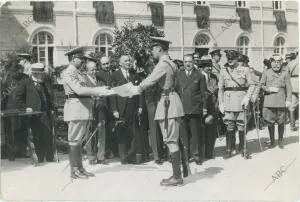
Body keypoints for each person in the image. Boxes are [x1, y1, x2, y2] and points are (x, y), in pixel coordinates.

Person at [132, 36, 185, 186]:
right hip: (171, 101)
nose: (151, 52)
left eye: (153, 48)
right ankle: (177, 174)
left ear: (159, 49)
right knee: (171, 139)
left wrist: (135, 89)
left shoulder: (163, 64)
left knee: (170, 139)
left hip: (168, 103)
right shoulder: (171, 62)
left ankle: (177, 176)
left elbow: (150, 80)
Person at [61, 46, 115, 179]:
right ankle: (74, 170)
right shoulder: (69, 72)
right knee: (74, 140)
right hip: (75, 108)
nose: (84, 61)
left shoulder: (78, 73)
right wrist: (98, 90)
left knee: (79, 140)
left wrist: (102, 90)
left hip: (83, 108)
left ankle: (80, 168)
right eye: (81, 58)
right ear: (73, 59)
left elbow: (87, 89)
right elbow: (79, 89)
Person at [14, 63, 54, 162]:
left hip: (45, 113)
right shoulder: (25, 83)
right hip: (33, 115)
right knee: (37, 135)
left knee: (48, 134)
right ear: (35, 74)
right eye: (40, 74)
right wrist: (25, 108)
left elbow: (48, 97)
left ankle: (50, 157)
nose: (42, 76)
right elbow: (17, 97)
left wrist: (52, 108)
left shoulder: (44, 83)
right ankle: (40, 157)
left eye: (42, 74)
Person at [218, 50, 255, 158]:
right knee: (229, 125)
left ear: (237, 59)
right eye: (228, 59)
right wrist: (221, 103)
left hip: (241, 101)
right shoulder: (223, 71)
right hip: (228, 101)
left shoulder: (245, 70)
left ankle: (243, 149)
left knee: (241, 125)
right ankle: (230, 149)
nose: (230, 61)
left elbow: (252, 85)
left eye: (232, 59)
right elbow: (220, 89)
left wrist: (247, 97)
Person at [110, 54, 144, 164]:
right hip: (121, 108)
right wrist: (114, 109)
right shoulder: (114, 75)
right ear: (120, 63)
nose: (128, 62)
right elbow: (112, 94)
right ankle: (123, 157)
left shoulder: (135, 75)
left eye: (129, 60)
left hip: (133, 107)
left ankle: (132, 156)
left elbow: (139, 92)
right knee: (122, 132)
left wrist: (140, 106)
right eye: (125, 61)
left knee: (134, 132)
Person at [175, 54, 207, 165]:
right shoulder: (178, 75)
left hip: (195, 108)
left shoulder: (200, 76)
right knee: (184, 134)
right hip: (182, 109)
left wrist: (205, 108)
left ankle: (196, 155)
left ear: (193, 63)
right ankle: (186, 155)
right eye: (186, 62)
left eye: (190, 62)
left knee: (195, 134)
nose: (188, 64)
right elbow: (176, 91)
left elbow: (204, 93)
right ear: (183, 63)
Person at [259, 54, 292, 149]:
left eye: (278, 62)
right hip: (269, 101)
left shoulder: (285, 73)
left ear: (281, 63)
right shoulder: (266, 72)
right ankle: (272, 140)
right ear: (271, 62)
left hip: (281, 102)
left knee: (281, 122)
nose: (276, 64)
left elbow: (289, 88)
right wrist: (269, 89)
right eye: (274, 62)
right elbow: (261, 85)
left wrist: (289, 100)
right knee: (270, 122)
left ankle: (281, 140)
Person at [85, 60, 109, 165]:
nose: (95, 71)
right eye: (92, 70)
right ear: (87, 70)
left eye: (95, 69)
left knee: (102, 132)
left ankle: (101, 156)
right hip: (89, 109)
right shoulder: (84, 81)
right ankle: (91, 156)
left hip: (100, 109)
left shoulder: (100, 80)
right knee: (89, 132)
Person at [199, 55, 219, 159]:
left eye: (210, 66)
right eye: (207, 66)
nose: (210, 68)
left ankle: (209, 152)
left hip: (212, 106)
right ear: (202, 66)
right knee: (201, 131)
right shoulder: (198, 76)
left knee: (211, 130)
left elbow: (216, 89)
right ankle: (200, 152)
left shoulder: (214, 77)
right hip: (201, 107)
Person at [285, 52, 298, 131]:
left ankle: (292, 126)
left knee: (291, 107)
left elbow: (286, 75)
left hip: (292, 84)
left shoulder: (288, 65)